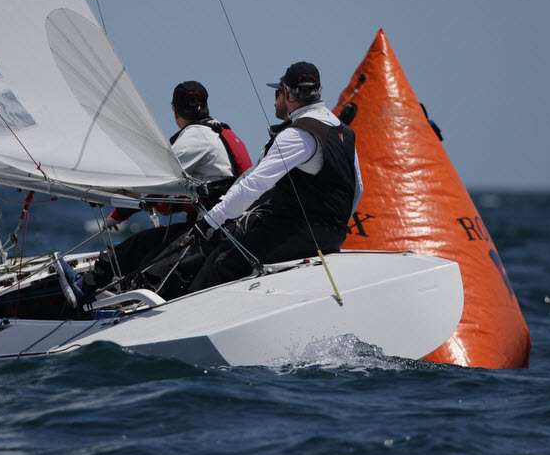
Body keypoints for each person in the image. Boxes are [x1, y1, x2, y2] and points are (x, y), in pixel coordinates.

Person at [186, 61, 363, 292]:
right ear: (319, 91)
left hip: (300, 231)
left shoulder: (298, 133)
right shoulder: (345, 132)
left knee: (222, 262)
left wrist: (210, 222)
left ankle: (193, 314)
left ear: (288, 94)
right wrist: (335, 228)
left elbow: (255, 184)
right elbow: (358, 188)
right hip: (335, 234)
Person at [87, 81, 252, 295]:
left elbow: (154, 185)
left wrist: (118, 214)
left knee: (146, 265)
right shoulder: (220, 131)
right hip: (226, 228)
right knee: (143, 244)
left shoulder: (195, 137)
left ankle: (96, 287)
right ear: (205, 106)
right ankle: (100, 279)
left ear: (174, 111)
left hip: (216, 232)